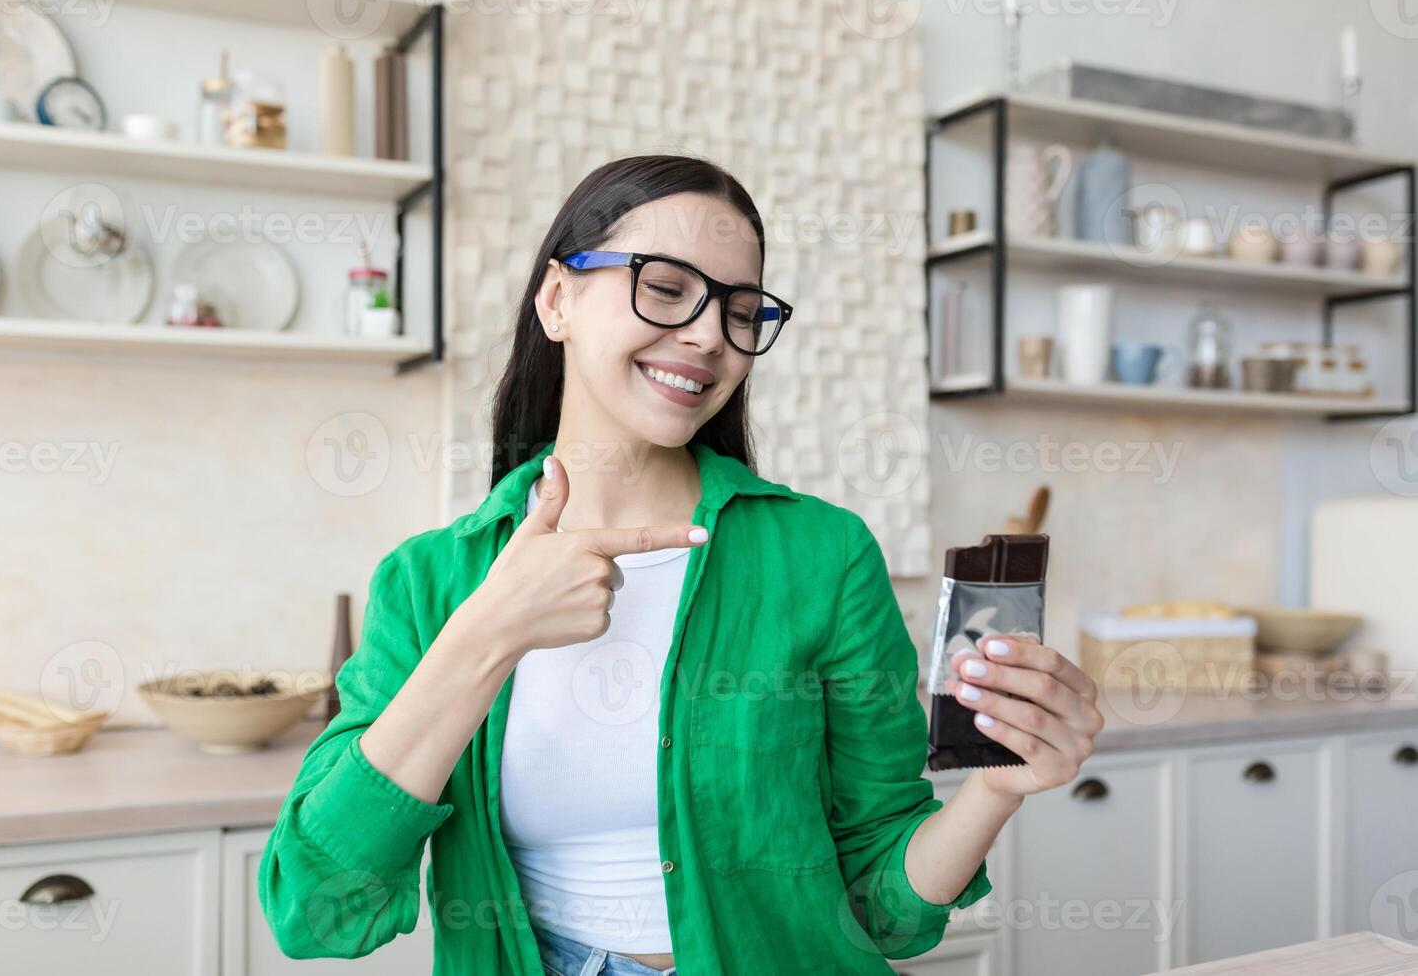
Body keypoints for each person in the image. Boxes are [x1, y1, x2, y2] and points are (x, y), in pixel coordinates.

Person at [257, 154, 1104, 975]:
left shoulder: (825, 556)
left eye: (740, 312)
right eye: (664, 288)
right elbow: (316, 907)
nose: (707, 337)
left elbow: (885, 906)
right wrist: (486, 635)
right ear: (557, 298)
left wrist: (997, 788)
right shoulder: (429, 583)